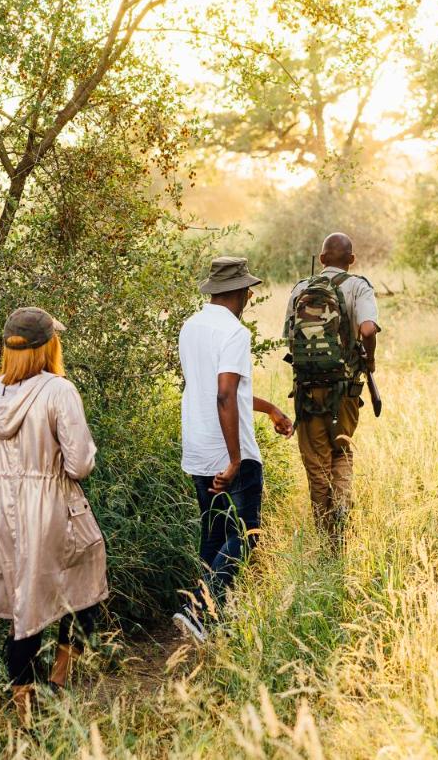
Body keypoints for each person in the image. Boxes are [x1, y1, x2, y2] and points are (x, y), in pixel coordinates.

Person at [0, 307, 107, 723]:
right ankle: (59, 684)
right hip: (49, 504)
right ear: (48, 345)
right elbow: (79, 464)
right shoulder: (58, 391)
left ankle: (24, 712)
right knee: (83, 586)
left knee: (21, 604)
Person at [173, 257, 294, 643]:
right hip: (227, 450)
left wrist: (271, 408)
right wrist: (236, 457)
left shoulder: (190, 327)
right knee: (247, 532)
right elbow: (224, 394)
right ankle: (198, 609)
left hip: (196, 444)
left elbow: (222, 390)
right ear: (242, 291)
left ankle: (207, 617)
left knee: (214, 533)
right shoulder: (235, 333)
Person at [284, 232, 380, 545]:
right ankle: (341, 514)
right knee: (342, 451)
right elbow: (367, 328)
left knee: (317, 464)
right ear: (351, 260)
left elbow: (289, 336)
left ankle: (326, 539)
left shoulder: (301, 288)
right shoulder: (359, 286)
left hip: (308, 393)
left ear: (322, 258)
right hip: (346, 391)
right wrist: (371, 358)